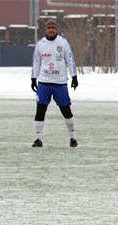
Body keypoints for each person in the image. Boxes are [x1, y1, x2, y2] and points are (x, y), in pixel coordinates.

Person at [30, 19, 79, 148]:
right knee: (40, 110)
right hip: (44, 83)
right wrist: (33, 78)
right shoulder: (41, 44)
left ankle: (73, 138)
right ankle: (38, 139)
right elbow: (36, 62)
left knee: (66, 110)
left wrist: (74, 76)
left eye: (53, 28)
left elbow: (70, 59)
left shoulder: (63, 43)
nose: (51, 30)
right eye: (49, 28)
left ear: (57, 30)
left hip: (60, 83)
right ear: (45, 30)